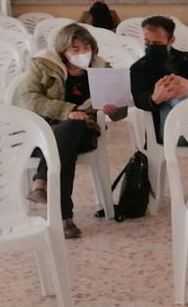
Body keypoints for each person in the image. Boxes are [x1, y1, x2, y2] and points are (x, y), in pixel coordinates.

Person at [15, 23, 126, 239]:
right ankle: (65, 217)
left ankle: (42, 181)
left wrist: (114, 110)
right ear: (63, 50)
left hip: (84, 131)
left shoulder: (102, 69)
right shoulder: (44, 66)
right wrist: (68, 110)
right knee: (64, 147)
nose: (83, 53)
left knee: (74, 128)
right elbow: (28, 98)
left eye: (87, 47)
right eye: (75, 49)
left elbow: (120, 110)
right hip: (44, 132)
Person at [130, 15, 188, 145]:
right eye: (147, 42)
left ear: (171, 40)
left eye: (157, 43)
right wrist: (155, 98)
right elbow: (139, 99)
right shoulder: (139, 69)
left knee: (177, 90)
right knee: (171, 90)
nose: (151, 46)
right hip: (167, 130)